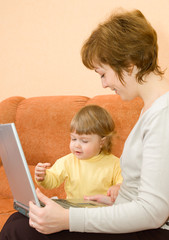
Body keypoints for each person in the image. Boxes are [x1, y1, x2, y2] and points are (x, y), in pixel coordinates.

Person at [1, 8, 169, 240]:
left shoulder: (163, 114)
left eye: (103, 73)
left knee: (19, 228)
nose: (103, 84)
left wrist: (67, 219)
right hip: (131, 220)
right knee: (21, 218)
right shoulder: (151, 110)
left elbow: (153, 212)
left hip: (149, 232)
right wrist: (116, 200)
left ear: (129, 65)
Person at [34, 104, 122, 201]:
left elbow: (125, 183)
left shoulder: (115, 164)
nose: (76, 145)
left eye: (84, 141)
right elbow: (52, 181)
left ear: (102, 142)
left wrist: (118, 187)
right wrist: (43, 176)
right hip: (72, 211)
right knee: (18, 216)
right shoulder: (67, 161)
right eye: (73, 139)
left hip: (99, 213)